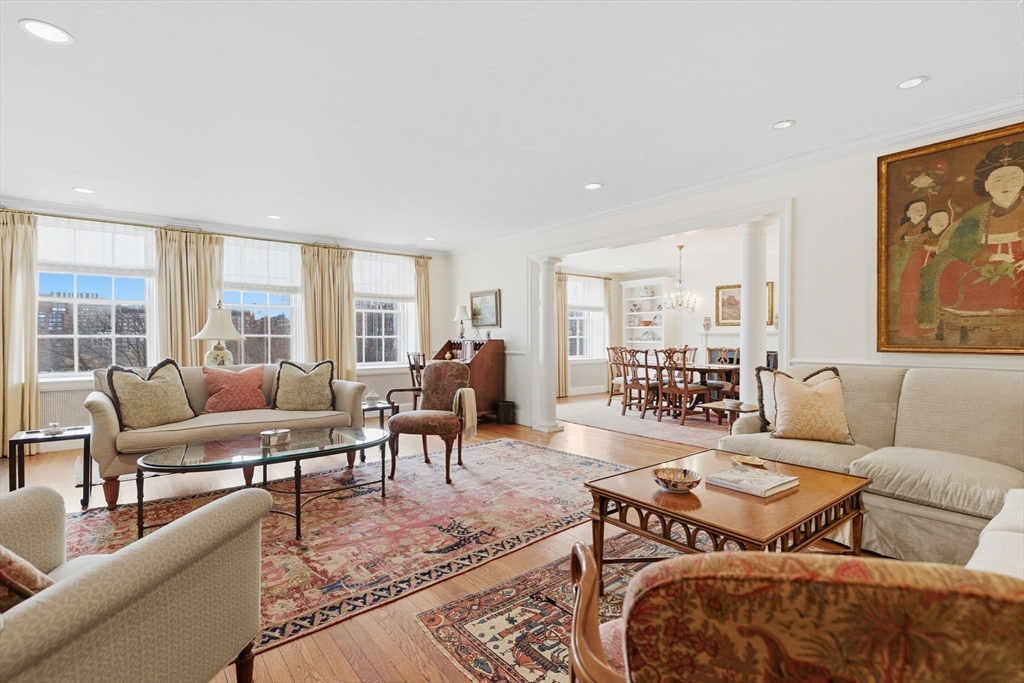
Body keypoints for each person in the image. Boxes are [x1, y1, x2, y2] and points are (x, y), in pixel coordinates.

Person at [917, 141, 1024, 335]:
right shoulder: (977, 213)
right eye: (998, 180)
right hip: (982, 256)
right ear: (986, 185)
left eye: (1014, 178)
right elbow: (961, 243)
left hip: (1020, 258)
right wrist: (990, 257)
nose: (1006, 185)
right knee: (954, 274)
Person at [898, 209, 950, 337]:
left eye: (945, 219)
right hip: (921, 266)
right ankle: (920, 327)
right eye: (937, 219)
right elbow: (916, 253)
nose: (941, 222)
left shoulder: (950, 236)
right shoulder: (923, 237)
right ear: (929, 223)